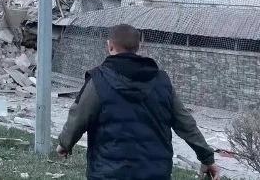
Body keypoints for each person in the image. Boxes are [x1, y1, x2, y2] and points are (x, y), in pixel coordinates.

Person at [56, 24, 220, 180]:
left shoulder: (98, 81)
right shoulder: (162, 81)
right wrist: (207, 157)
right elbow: (185, 123)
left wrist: (64, 143)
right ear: (139, 46)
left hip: (108, 173)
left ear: (109, 45)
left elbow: (79, 116)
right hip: (155, 173)